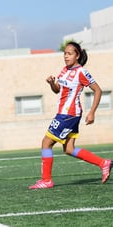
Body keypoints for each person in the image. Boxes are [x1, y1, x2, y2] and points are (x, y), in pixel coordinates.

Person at [29, 41, 112, 189]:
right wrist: (51, 83)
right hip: (65, 113)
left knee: (46, 143)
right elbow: (57, 90)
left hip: (68, 114)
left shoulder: (81, 72)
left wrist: (92, 112)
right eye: (65, 53)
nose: (66, 56)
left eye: (69, 53)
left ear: (77, 55)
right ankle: (103, 163)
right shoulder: (64, 70)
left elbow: (98, 90)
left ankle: (46, 180)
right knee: (69, 149)